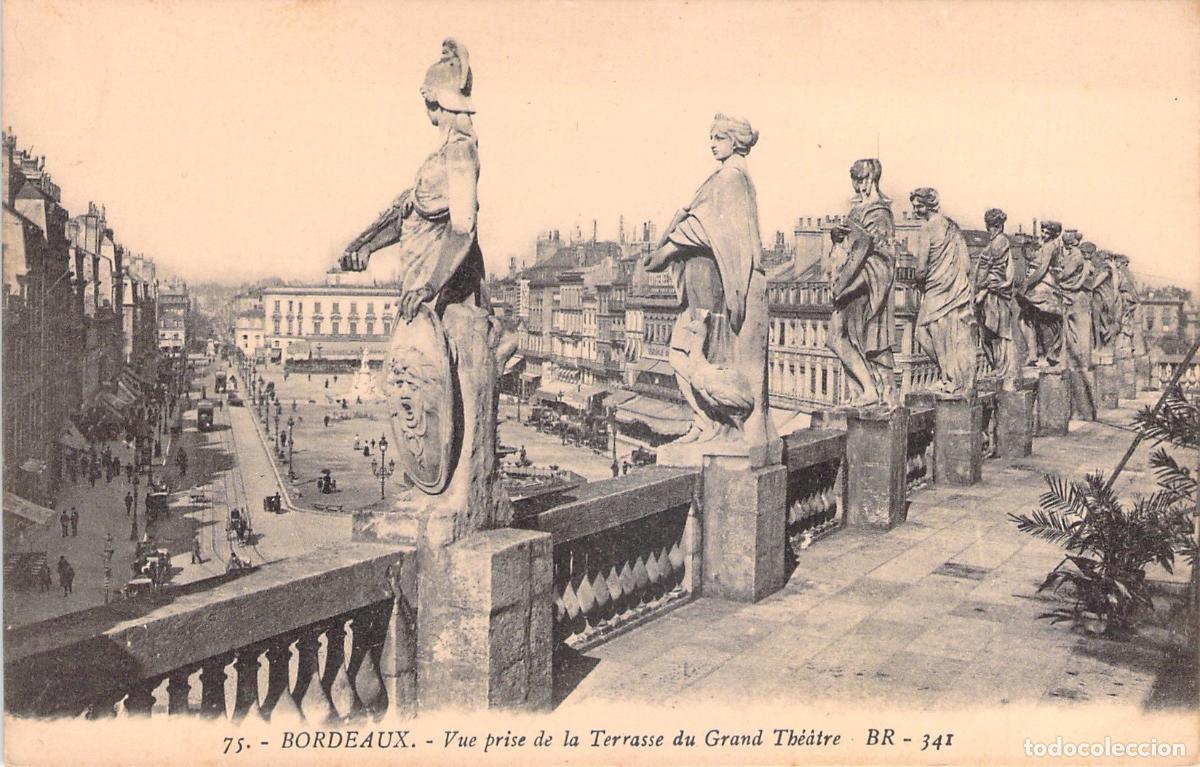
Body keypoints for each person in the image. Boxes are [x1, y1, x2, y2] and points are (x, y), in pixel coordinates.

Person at [642, 113, 774, 454]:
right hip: (708, 283)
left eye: (718, 137)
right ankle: (706, 423)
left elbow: (708, 229)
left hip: (714, 290)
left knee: (691, 356)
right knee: (689, 357)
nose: (712, 143)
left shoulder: (731, 179)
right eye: (712, 137)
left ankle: (713, 424)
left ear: (734, 141)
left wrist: (668, 249)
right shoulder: (731, 178)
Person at [827, 158, 897, 407]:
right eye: (854, 181)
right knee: (835, 338)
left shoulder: (879, 213)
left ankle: (870, 390)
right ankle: (861, 390)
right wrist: (837, 238)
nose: (857, 187)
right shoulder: (857, 210)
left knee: (847, 338)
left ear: (871, 179)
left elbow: (884, 259)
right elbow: (852, 246)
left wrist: (852, 284)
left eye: (860, 181)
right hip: (849, 287)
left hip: (865, 289)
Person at [909, 187, 977, 395]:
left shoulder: (927, 229)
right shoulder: (952, 227)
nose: (915, 210)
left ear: (928, 205)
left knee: (922, 333)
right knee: (948, 333)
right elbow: (966, 264)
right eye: (914, 206)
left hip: (935, 288)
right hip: (955, 288)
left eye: (919, 206)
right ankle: (952, 376)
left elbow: (921, 269)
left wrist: (921, 284)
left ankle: (948, 375)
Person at [974, 208, 1017, 388]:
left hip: (995, 295)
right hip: (993, 294)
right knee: (991, 334)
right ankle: (999, 368)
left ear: (999, 226)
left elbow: (996, 272)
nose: (990, 229)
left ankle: (1002, 369)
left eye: (993, 226)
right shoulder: (998, 242)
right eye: (989, 226)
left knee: (997, 332)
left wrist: (983, 290)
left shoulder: (999, 243)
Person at [1018, 220, 1064, 367]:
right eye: (1042, 231)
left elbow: (1042, 269)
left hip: (1044, 287)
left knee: (1039, 320)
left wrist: (1027, 283)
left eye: (1047, 232)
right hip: (1043, 286)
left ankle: (1040, 354)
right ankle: (1037, 354)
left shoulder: (1050, 246)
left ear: (1054, 234)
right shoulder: (1049, 245)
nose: (1043, 234)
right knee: (1029, 318)